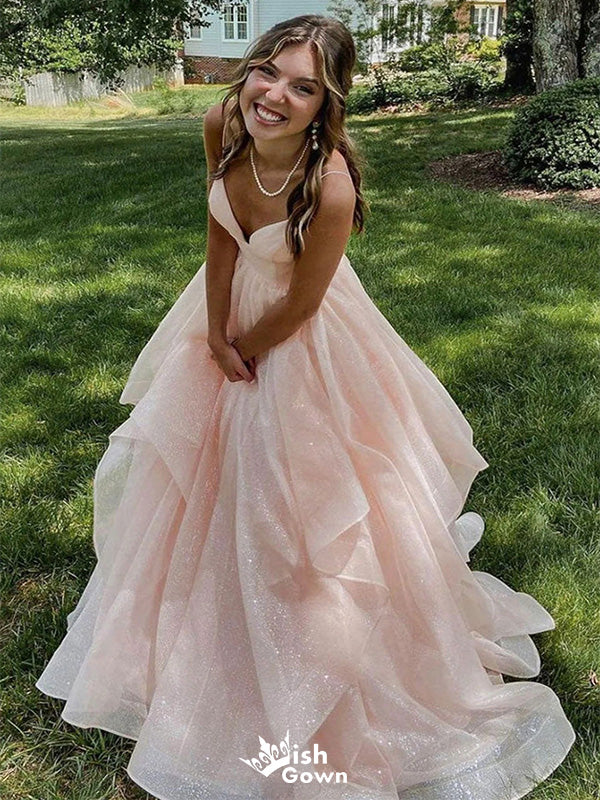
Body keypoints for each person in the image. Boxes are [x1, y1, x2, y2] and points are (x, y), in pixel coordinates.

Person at [35, 13, 576, 800]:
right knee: (198, 469)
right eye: (268, 72)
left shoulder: (330, 186)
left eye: (304, 88)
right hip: (230, 311)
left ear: (327, 104)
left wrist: (248, 348)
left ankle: (304, 631)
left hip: (297, 334)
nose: (275, 96)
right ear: (248, 69)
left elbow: (302, 304)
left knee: (290, 490)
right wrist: (214, 333)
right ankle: (202, 620)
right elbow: (221, 232)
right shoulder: (222, 121)